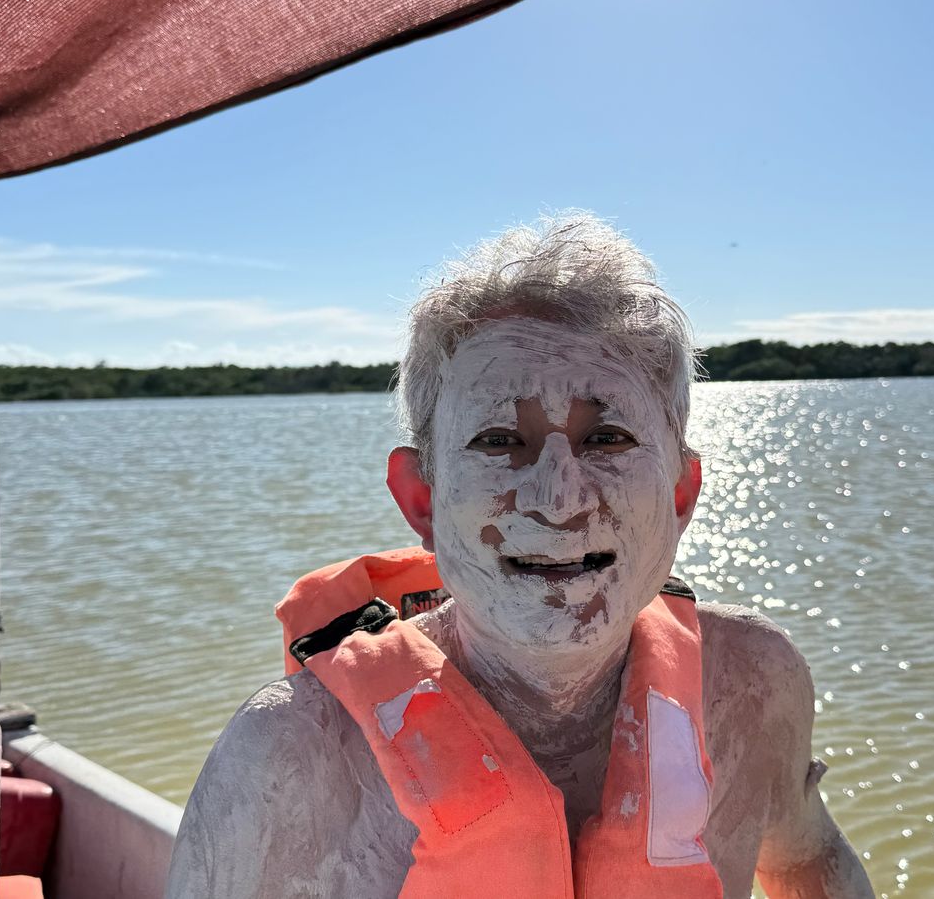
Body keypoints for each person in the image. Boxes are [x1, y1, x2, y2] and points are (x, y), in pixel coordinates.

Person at [166, 213, 873, 898]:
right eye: (500, 441)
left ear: (681, 494)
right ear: (422, 500)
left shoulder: (751, 688)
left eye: (608, 440)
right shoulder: (290, 761)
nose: (559, 499)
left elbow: (807, 858)